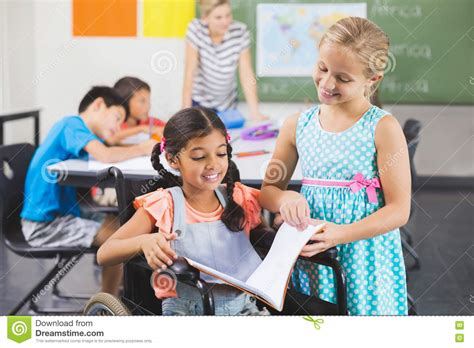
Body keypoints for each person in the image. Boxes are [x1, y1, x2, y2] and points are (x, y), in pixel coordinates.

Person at [259, 17, 411, 315]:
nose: (327, 83)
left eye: (343, 78)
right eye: (322, 68)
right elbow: (268, 191)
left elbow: (399, 209)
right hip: (314, 259)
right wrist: (287, 197)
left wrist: (341, 234)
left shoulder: (382, 128)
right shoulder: (296, 125)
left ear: (373, 80)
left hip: (366, 258)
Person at [97, 107, 269, 315]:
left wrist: (289, 199)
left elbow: (275, 202)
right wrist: (143, 242)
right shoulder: (165, 205)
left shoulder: (240, 198)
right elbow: (105, 253)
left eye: (221, 153)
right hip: (187, 313)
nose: (213, 164)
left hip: (244, 310)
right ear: (172, 159)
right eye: (198, 157)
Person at [21, 86, 156, 295]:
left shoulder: (81, 133)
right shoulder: (71, 124)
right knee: (119, 239)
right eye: (117, 117)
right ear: (99, 104)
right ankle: (107, 305)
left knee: (122, 226)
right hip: (44, 225)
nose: (119, 126)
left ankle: (117, 290)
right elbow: (105, 155)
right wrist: (141, 148)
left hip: (63, 214)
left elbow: (111, 144)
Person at [182, 0, 268, 120]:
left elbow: (246, 74)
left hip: (227, 105)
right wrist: (185, 114)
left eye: (228, 15)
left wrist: (255, 112)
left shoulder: (240, 31)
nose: (225, 22)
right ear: (205, 18)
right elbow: (189, 74)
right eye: (218, 17)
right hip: (199, 103)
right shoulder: (195, 29)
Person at [107, 76, 165, 145]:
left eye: (148, 101)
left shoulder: (151, 122)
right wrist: (141, 129)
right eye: (142, 101)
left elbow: (173, 129)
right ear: (125, 102)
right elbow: (110, 138)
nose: (148, 106)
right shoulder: (114, 124)